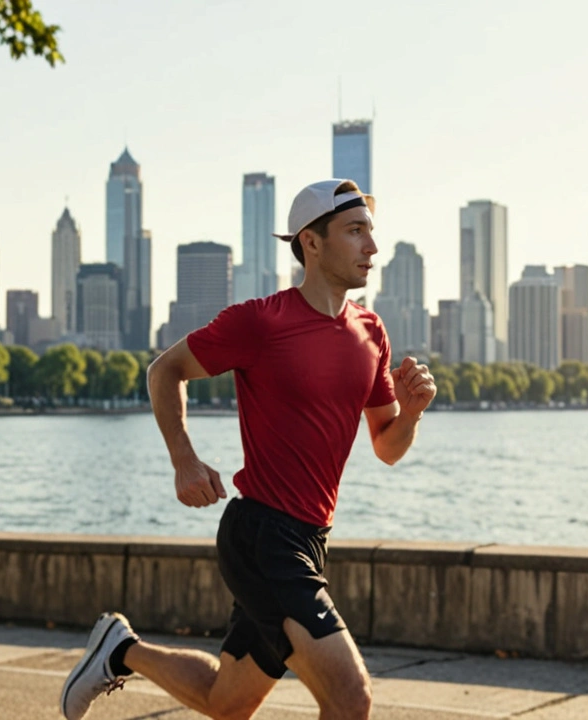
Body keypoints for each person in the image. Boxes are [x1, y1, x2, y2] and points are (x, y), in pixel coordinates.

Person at [59, 179, 437, 720]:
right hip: (263, 537)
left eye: (370, 233)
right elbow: (164, 370)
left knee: (226, 701)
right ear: (311, 241)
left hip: (310, 538)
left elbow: (387, 447)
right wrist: (183, 458)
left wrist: (412, 411)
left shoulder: (371, 333)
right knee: (351, 698)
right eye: (355, 232)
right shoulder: (262, 321)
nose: (371, 247)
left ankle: (119, 649)